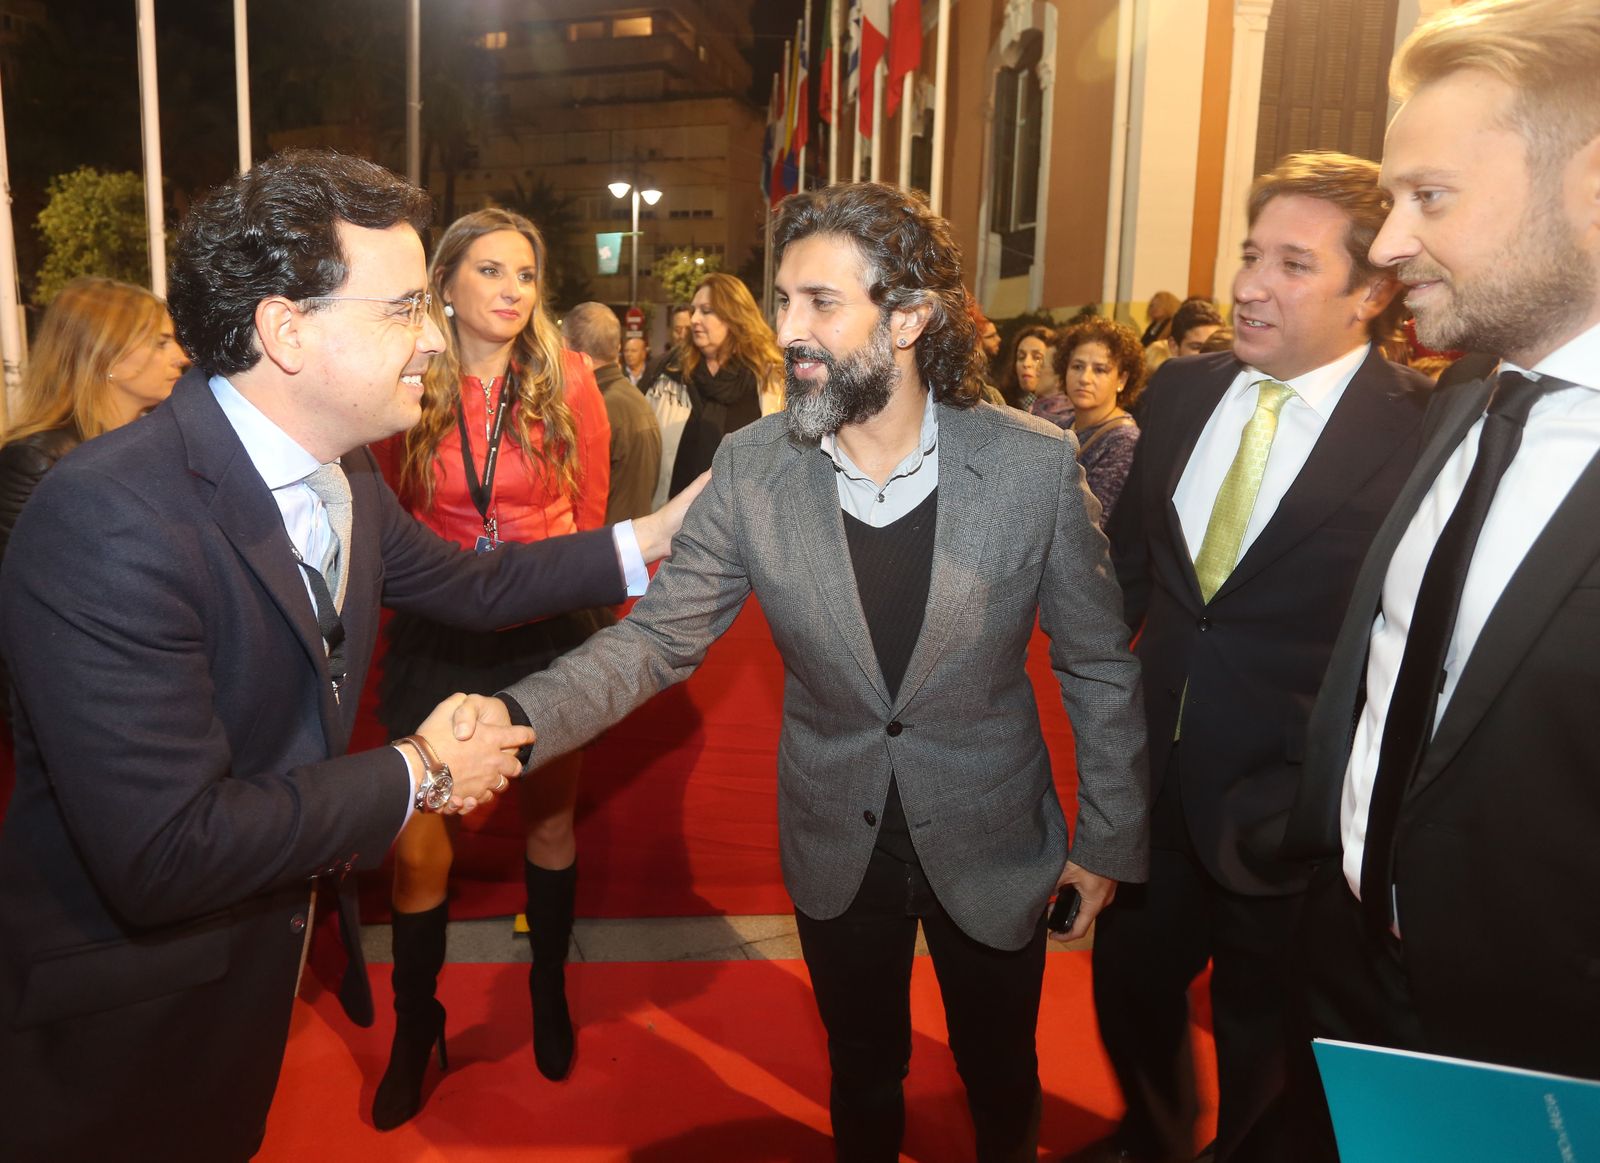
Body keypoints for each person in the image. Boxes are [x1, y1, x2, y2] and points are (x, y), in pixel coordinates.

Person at [0, 150, 695, 1162]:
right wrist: (421, 771)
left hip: (243, 971)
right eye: (403, 309)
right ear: (287, 330)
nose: (430, 340)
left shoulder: (346, 473)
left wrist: (658, 529)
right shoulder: (110, 515)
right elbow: (163, 850)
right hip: (122, 1025)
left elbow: (473, 585)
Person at [469, 182, 1149, 1162]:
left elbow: (1094, 662)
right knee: (862, 1072)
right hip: (838, 837)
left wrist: (1109, 835)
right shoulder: (755, 467)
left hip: (998, 833)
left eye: (821, 302)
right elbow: (656, 639)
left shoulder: (1033, 464)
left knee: (999, 1072)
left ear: (909, 316)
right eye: (784, 299)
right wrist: (514, 714)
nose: (791, 329)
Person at [1279, 3, 1600, 1152]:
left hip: (1544, 1060)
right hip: (1343, 969)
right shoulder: (1465, 392)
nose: (1386, 244)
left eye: (1431, 196)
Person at [1088, 151, 1430, 1163]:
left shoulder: (1420, 428)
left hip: (1294, 811)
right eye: (1248, 254)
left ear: (1368, 292)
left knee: (1265, 1035)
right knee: (1128, 988)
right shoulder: (1182, 392)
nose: (1246, 284)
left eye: (1291, 262)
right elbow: (1136, 577)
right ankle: (1149, 1132)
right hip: (1152, 786)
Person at [371, 209, 621, 1127]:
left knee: (548, 826)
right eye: (491, 270)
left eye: (526, 273)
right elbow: (387, 515)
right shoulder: (408, 381)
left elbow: (590, 512)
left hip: (544, 624)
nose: (514, 289)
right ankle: (414, 1027)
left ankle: (547, 989)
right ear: (445, 283)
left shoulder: (571, 379)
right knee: (420, 843)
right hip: (438, 627)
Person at [0, 277, 188, 723]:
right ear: (108, 355)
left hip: (153, 688)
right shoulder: (36, 460)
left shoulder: (160, 445)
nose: (181, 356)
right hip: (80, 707)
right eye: (161, 343)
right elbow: (24, 618)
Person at [645, 271, 783, 507]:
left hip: (745, 522)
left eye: (706, 311)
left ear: (734, 316)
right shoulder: (668, 373)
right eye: (694, 310)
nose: (694, 319)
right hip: (676, 522)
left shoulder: (771, 379)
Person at [564, 301, 663, 522]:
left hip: (603, 544)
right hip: (634, 542)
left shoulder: (593, 407)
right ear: (617, 347)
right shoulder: (635, 398)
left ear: (567, 346)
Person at [1058, 316, 1144, 525]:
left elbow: (1091, 524)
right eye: (1077, 366)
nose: (1085, 378)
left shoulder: (1124, 441)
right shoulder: (1060, 426)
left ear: (1122, 380)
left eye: (1100, 370)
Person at [998, 323, 1057, 412]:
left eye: (1037, 357)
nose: (1026, 364)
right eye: (1021, 357)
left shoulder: (1067, 410)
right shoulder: (1000, 403)